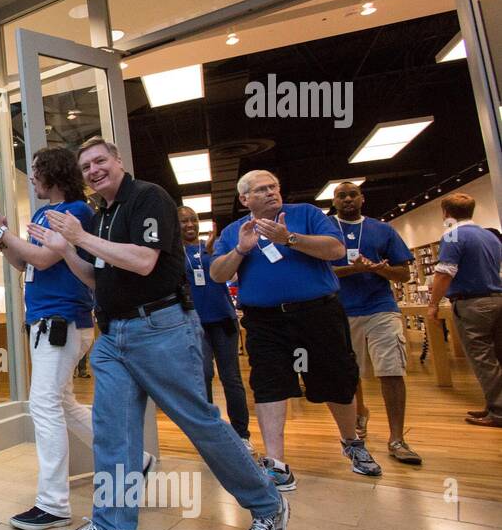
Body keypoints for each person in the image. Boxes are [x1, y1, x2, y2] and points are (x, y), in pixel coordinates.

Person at [31, 138, 286, 530]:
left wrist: (78, 237)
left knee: (199, 423)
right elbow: (97, 279)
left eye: (100, 161)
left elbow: (143, 261)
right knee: (114, 435)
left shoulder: (148, 197)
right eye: (86, 166)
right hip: (113, 335)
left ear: (117, 162)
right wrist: (67, 252)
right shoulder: (103, 216)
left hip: (161, 328)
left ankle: (267, 504)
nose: (94, 170)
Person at [208, 170, 380, 489]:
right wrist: (241, 250)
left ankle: (352, 443)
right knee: (269, 384)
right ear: (245, 199)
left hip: (319, 313)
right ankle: (276, 462)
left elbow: (335, 250)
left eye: (274, 186)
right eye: (261, 189)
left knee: (337, 378)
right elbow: (218, 275)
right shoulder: (235, 231)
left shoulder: (307, 214)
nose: (272, 192)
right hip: (265, 321)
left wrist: (288, 239)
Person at [0, 147, 98, 529]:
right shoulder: (44, 213)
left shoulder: (75, 212)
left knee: (42, 404)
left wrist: (1, 231)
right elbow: (24, 262)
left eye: (36, 171)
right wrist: (0, 238)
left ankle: (54, 504)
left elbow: (44, 260)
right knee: (64, 404)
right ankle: (132, 462)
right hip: (46, 319)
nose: (31, 178)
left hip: (61, 319)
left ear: (53, 174)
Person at [329, 181, 421, 463]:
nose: (347, 199)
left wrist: (382, 270)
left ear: (362, 198)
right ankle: (359, 415)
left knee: (391, 369)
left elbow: (404, 274)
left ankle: (397, 438)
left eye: (352, 194)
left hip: (381, 308)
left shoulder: (382, 230)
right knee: (350, 372)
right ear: (334, 201)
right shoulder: (327, 231)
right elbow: (321, 272)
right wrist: (351, 269)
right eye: (341, 195)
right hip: (342, 310)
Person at [427, 193, 502, 428]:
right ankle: (493, 404)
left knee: (482, 358)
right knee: (498, 355)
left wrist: (433, 305)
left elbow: (445, 272)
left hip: (472, 304)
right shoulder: (490, 236)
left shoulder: (453, 236)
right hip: (497, 298)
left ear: (446, 213)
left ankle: (498, 410)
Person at [178, 207, 251, 444]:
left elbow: (232, 274)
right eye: (183, 221)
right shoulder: (174, 255)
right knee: (204, 375)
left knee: (231, 378)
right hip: (195, 324)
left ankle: (242, 434)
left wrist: (215, 254)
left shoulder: (215, 247)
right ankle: (211, 434)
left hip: (223, 320)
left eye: (193, 220)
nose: (189, 224)